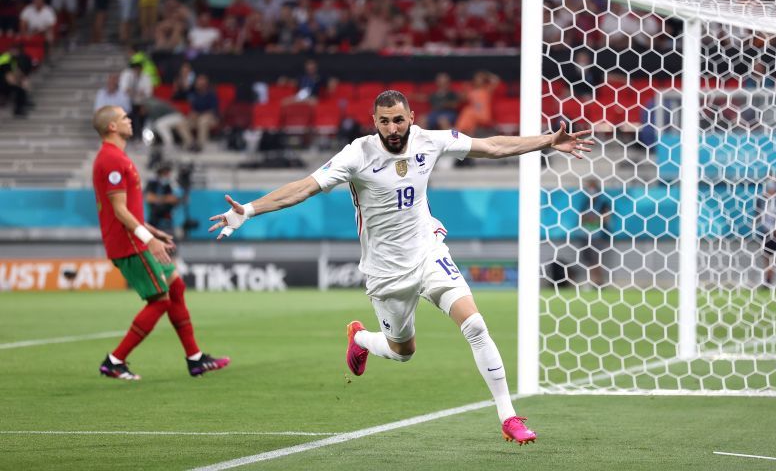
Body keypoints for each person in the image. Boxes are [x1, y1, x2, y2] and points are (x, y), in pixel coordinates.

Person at [208, 90, 593, 444]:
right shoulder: (356, 155)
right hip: (386, 271)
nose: (393, 128)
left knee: (474, 324)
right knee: (402, 352)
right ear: (374, 122)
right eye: (384, 122)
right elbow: (304, 187)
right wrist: (250, 210)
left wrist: (547, 140)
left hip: (428, 251)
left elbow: (491, 145)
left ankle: (508, 417)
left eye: (398, 120)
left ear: (411, 116)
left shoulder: (431, 140)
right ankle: (359, 339)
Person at [92, 105, 230, 380]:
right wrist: (149, 239)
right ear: (112, 127)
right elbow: (119, 211)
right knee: (159, 300)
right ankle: (114, 361)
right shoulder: (110, 160)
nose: (129, 121)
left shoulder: (118, 157)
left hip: (137, 236)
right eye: (123, 118)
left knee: (175, 287)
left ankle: (195, 359)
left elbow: (126, 209)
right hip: (130, 243)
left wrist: (151, 230)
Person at [577, 178, 612, 288]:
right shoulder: (585, 203)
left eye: (592, 187)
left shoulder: (603, 203)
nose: (590, 190)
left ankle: (599, 282)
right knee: (588, 260)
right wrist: (592, 218)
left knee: (596, 260)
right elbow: (581, 218)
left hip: (598, 236)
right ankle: (592, 281)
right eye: (588, 188)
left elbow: (606, 218)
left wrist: (593, 219)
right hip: (585, 235)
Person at [145, 163, 181, 235]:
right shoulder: (153, 183)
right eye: (166, 173)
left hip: (167, 218)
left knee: (169, 240)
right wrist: (165, 198)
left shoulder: (168, 185)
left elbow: (174, 199)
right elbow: (149, 198)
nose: (168, 175)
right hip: (154, 218)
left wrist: (158, 199)